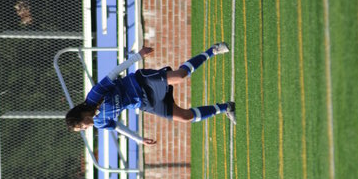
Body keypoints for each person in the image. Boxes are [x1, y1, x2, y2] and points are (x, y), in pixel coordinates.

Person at [65, 43, 236, 144]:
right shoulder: (99, 123)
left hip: (141, 82)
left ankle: (213, 50)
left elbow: (114, 73)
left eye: (81, 126)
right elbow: (117, 127)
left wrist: (137, 57)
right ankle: (226, 108)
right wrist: (139, 139)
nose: (85, 128)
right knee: (185, 117)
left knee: (180, 76)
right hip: (145, 103)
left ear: (80, 116)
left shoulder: (94, 95)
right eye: (82, 129)